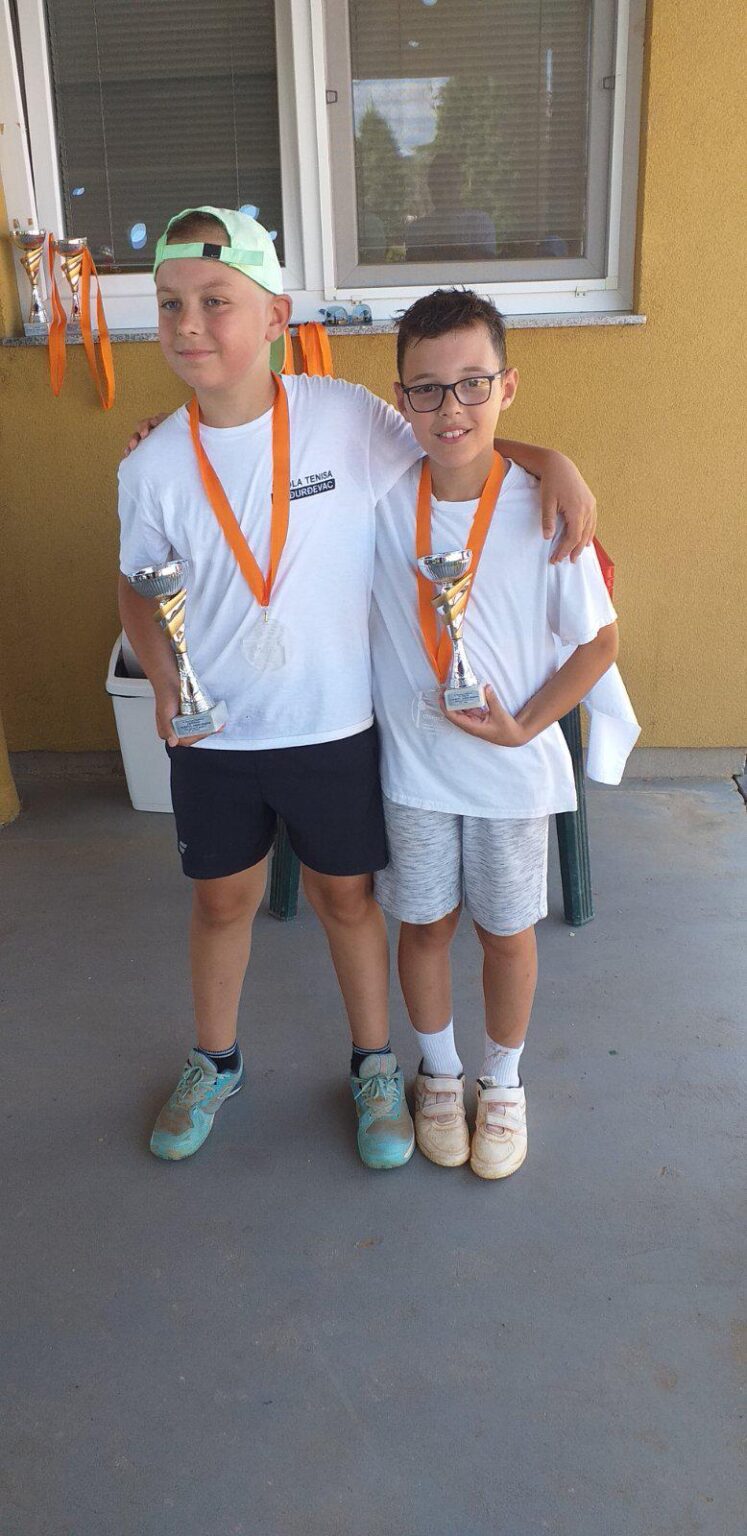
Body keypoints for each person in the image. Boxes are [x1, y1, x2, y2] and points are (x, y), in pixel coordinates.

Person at [118, 206, 597, 1170]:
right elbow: (138, 586)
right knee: (220, 904)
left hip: (334, 727)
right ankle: (215, 1059)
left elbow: (454, 436)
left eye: (215, 301)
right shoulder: (153, 463)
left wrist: (555, 462)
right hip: (217, 737)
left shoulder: (341, 416)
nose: (188, 323)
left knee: (348, 900)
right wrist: (164, 679)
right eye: (169, 304)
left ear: (276, 315)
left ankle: (377, 1064)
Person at [370, 287, 630, 1179]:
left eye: (473, 384)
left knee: (507, 933)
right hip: (413, 769)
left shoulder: (540, 509)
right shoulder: (376, 498)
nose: (451, 408)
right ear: (399, 397)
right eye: (426, 388)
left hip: (509, 775)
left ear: (507, 386)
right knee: (423, 924)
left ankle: (504, 1081)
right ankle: (440, 1074)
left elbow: (599, 643)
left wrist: (527, 729)